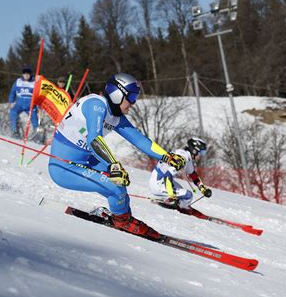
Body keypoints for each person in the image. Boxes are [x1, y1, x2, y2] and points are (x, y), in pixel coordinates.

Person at [48, 73, 186, 240]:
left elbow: (139, 139)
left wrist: (166, 156)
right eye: (132, 97)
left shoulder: (115, 116)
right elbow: (94, 139)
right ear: (117, 94)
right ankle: (121, 221)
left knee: (120, 182)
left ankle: (123, 218)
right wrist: (113, 165)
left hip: (85, 160)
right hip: (64, 167)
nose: (133, 103)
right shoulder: (96, 105)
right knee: (115, 185)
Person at [148, 137, 212, 213]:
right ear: (195, 150)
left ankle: (179, 204)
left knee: (181, 190)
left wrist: (203, 189)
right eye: (201, 153)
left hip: (158, 180)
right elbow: (167, 175)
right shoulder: (183, 158)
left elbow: (193, 176)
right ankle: (181, 208)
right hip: (158, 184)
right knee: (189, 195)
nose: (201, 156)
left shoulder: (186, 156)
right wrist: (171, 195)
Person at [9, 66, 38, 138]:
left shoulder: (35, 82)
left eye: (28, 73)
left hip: (30, 106)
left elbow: (39, 94)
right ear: (22, 74)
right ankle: (15, 131)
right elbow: (12, 92)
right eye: (25, 73)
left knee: (35, 120)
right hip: (19, 104)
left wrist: (39, 106)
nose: (26, 75)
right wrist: (11, 102)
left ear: (30, 74)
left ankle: (36, 135)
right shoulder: (18, 81)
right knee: (13, 113)